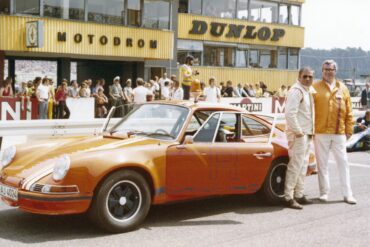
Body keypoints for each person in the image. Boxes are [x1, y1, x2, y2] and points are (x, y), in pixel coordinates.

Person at [313, 59, 356, 204]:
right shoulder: (315, 87)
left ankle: (347, 194)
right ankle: (324, 192)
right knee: (322, 164)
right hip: (320, 132)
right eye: (325, 69)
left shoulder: (343, 88)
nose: (328, 72)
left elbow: (349, 111)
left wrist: (349, 131)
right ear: (322, 71)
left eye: (331, 69)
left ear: (335, 71)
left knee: (343, 163)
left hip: (339, 133)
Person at [284, 67, 315, 209]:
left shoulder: (307, 91)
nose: (308, 79)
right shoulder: (296, 91)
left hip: (307, 133)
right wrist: (298, 132)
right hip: (299, 134)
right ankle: (288, 197)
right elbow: (290, 114)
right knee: (295, 166)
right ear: (299, 76)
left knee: (303, 166)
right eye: (305, 76)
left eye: (310, 77)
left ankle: (299, 194)